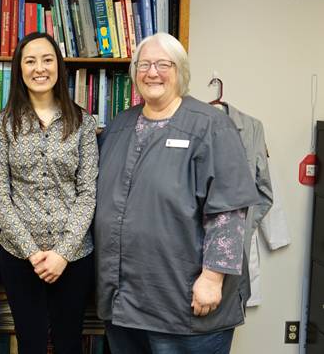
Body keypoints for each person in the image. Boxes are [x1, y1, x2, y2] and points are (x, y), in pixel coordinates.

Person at [95, 32, 259, 354]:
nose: (152, 72)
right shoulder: (118, 127)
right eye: (144, 65)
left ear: (180, 71)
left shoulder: (211, 126)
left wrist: (212, 279)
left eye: (162, 64)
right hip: (124, 303)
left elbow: (228, 211)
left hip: (184, 306)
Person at [0, 32, 98, 354]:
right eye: (30, 60)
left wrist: (62, 253)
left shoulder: (83, 123)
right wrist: (32, 252)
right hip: (20, 257)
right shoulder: (2, 125)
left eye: (47, 60)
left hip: (74, 257)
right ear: (19, 69)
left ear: (59, 67)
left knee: (68, 344)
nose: (40, 68)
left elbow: (87, 192)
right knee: (30, 343)